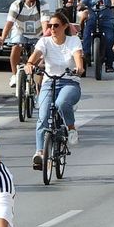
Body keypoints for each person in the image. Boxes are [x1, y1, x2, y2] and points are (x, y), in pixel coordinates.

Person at [26, 10, 86, 170]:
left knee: (61, 103)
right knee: (43, 115)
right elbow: (36, 55)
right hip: (49, 82)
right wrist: (30, 64)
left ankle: (71, 128)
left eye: (56, 25)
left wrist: (79, 68)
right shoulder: (44, 42)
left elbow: (78, 58)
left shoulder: (73, 41)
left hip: (69, 82)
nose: (52, 28)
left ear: (65, 26)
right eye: (50, 25)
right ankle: (39, 152)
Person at [3, 0, 45, 88]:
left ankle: (38, 83)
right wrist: (2, 38)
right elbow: (9, 23)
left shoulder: (43, 4)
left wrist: (46, 38)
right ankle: (14, 75)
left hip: (37, 33)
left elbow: (45, 24)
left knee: (41, 53)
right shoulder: (16, 5)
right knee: (16, 46)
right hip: (20, 31)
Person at [77, 0, 114, 73]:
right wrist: (80, 6)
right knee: (86, 34)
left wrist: (113, 4)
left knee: (109, 38)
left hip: (107, 18)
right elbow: (82, 1)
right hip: (93, 17)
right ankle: (86, 56)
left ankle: (109, 63)